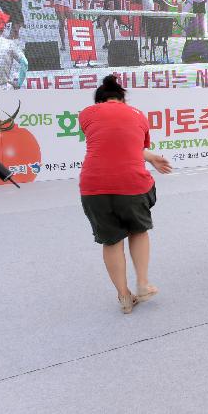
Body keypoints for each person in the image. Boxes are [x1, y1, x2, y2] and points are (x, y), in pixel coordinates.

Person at [79, 75, 172, 313]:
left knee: (111, 241)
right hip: (132, 185)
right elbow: (132, 145)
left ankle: (124, 297)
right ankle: (142, 283)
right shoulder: (138, 115)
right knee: (138, 231)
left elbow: (112, 143)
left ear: (99, 100)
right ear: (123, 99)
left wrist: (150, 158)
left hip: (93, 187)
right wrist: (152, 158)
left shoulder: (87, 114)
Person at [0, 10, 28, 90]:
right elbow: (25, 63)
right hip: (2, 88)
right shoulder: (10, 44)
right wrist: (19, 83)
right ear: (3, 28)